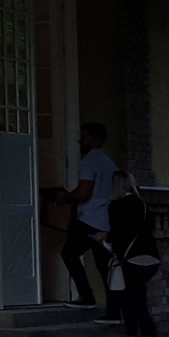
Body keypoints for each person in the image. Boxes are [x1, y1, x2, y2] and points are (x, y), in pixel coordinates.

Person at [51, 122, 121, 311]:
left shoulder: (90, 161)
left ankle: (86, 296)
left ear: (93, 139)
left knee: (69, 253)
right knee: (104, 265)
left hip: (89, 218)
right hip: (106, 219)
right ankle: (114, 309)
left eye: (83, 138)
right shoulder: (109, 163)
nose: (79, 141)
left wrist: (65, 197)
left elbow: (84, 192)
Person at [106, 173, 166, 337]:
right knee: (128, 296)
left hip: (132, 260)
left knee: (138, 305)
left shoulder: (116, 206)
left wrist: (106, 237)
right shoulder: (143, 205)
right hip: (151, 258)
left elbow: (119, 234)